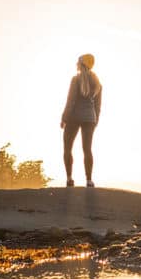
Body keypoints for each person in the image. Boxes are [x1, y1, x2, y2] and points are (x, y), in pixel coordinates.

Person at [60, 53, 102, 187]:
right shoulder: (97, 83)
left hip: (73, 117)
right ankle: (89, 181)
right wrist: (95, 121)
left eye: (78, 61)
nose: (76, 64)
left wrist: (64, 118)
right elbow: (98, 106)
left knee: (67, 148)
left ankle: (69, 179)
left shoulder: (75, 80)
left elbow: (70, 101)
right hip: (90, 118)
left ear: (82, 64)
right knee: (87, 149)